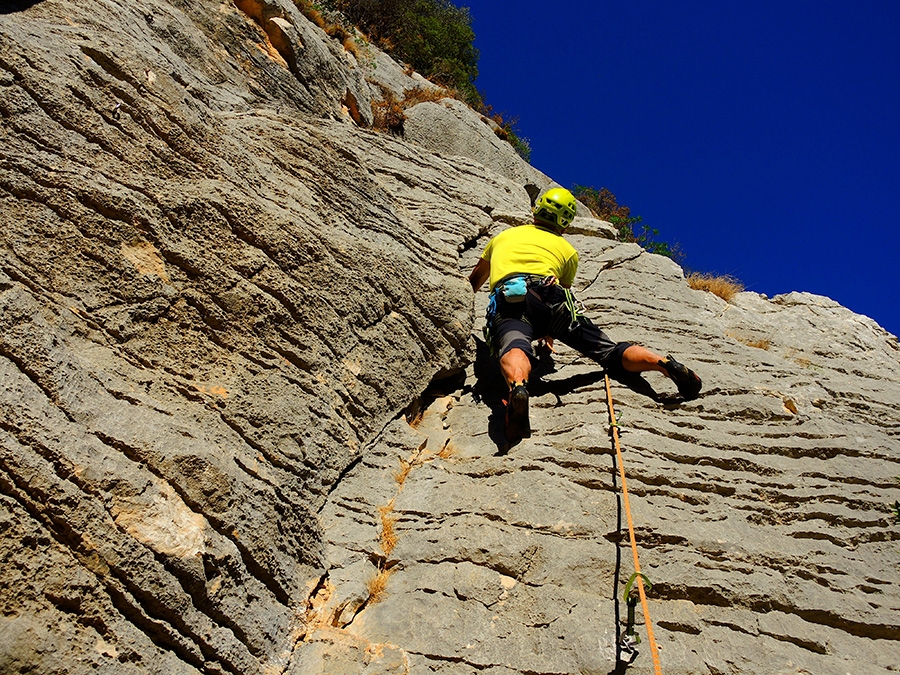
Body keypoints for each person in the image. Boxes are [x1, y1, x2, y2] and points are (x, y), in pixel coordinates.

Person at [468, 187, 702, 441]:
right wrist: (549, 334)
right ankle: (664, 364)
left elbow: (475, 279)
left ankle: (519, 388)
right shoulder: (568, 251)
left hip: (513, 300)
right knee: (611, 352)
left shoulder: (505, 236)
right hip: (555, 302)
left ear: (537, 210)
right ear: (566, 222)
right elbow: (557, 294)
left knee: (515, 344)